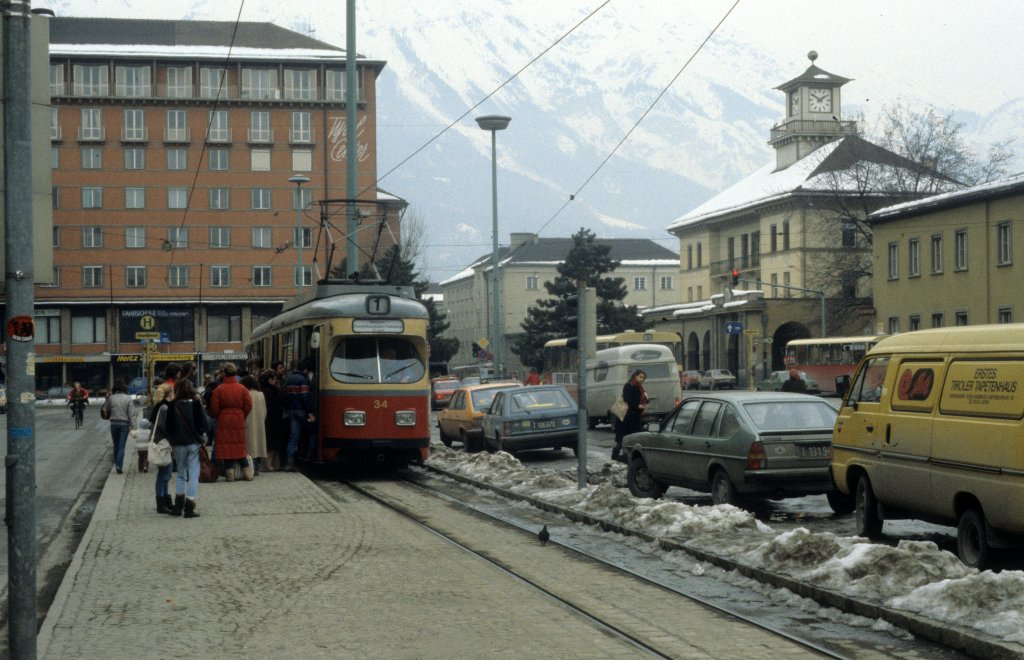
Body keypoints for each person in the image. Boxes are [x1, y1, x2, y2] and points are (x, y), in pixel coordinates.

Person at [163, 378, 207, 518]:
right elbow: (204, 424)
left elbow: (168, 426)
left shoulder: (172, 405)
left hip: (178, 444)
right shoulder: (196, 404)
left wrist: (172, 439)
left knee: (181, 474)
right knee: (193, 475)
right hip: (193, 442)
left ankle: (178, 505)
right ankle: (189, 506)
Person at [210, 362, 253, 482]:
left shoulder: (219, 389)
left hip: (224, 419)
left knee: (227, 446)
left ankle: (230, 474)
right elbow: (248, 405)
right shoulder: (242, 388)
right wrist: (242, 414)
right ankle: (247, 472)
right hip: (238, 418)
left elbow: (214, 407)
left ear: (224, 373)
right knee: (239, 445)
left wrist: (218, 415)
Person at [149, 363, 181, 514]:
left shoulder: (160, 406)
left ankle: (164, 500)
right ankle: (161, 502)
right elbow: (164, 426)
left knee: (165, 473)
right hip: (163, 441)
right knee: (165, 473)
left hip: (160, 440)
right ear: (170, 394)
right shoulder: (165, 407)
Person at [283, 358, 316, 470]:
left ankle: (289, 462)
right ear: (306, 369)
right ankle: (309, 456)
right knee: (313, 431)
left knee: (294, 436)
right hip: (301, 411)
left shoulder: (289, 379)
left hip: (291, 411)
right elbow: (305, 397)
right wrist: (310, 413)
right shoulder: (303, 379)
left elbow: (285, 396)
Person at [613, 369, 648, 463]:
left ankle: (628, 457)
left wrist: (644, 402)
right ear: (635, 376)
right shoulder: (629, 385)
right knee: (621, 439)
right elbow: (627, 399)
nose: (642, 379)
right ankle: (614, 457)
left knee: (634, 438)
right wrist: (637, 405)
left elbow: (639, 399)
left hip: (635, 417)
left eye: (643, 378)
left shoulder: (640, 388)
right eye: (640, 377)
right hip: (625, 417)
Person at [102, 379, 136, 474]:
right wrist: (134, 427)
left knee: (116, 445)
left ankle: (117, 463)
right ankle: (119, 466)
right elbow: (132, 414)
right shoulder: (128, 399)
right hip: (124, 425)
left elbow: (105, 409)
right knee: (121, 446)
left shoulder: (112, 398)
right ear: (124, 388)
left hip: (114, 424)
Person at [260, 369, 287, 472]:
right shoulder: (269, 391)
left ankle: (272, 465)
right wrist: (281, 410)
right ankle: (269, 465)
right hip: (272, 419)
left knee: (272, 443)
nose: (276, 381)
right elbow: (273, 405)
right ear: (269, 380)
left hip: (271, 419)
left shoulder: (266, 390)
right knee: (272, 443)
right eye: (274, 379)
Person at [241, 375, 268, 475]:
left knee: (250, 445)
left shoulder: (245, 393)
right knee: (259, 444)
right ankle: (257, 467)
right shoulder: (261, 394)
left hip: (248, 422)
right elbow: (265, 410)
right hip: (259, 422)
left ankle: (251, 467)